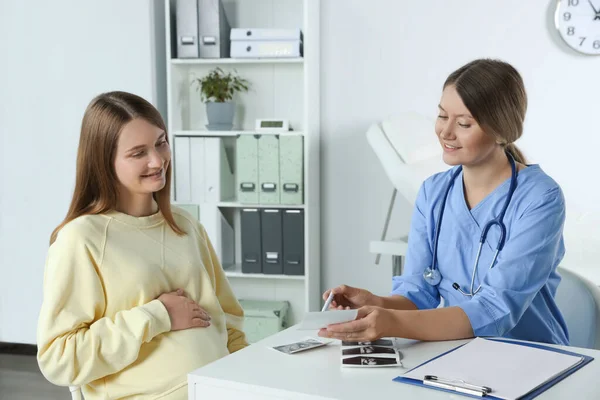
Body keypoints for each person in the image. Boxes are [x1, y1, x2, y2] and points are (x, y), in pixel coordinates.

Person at [320, 59, 569, 346]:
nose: (445, 132)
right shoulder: (433, 192)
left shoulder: (540, 198)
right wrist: (373, 303)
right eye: (441, 116)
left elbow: (497, 309)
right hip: (460, 352)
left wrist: (392, 322)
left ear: (502, 130)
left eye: (464, 123)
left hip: (534, 356)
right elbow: (418, 293)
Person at [36, 91, 248, 400]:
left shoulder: (185, 225)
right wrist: (158, 315)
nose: (158, 160)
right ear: (104, 162)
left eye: (161, 142)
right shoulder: (81, 239)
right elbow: (59, 358)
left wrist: (246, 380)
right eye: (138, 153)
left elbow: (228, 320)